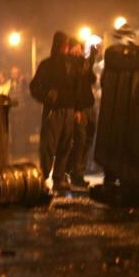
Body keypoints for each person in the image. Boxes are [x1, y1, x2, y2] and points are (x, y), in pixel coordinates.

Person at [29, 32, 79, 192]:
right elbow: (34, 86)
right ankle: (43, 177)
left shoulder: (72, 65)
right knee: (48, 145)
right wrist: (46, 96)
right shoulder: (47, 65)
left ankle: (59, 178)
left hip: (69, 110)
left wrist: (77, 109)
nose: (66, 47)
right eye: (63, 44)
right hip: (54, 111)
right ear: (58, 45)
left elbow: (78, 88)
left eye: (67, 44)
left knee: (66, 145)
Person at [69, 39, 98, 188]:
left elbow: (91, 78)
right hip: (79, 107)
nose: (79, 51)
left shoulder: (83, 64)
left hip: (89, 105)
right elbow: (78, 80)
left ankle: (79, 170)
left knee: (88, 140)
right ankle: (76, 173)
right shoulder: (71, 64)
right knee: (80, 139)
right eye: (76, 48)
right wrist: (77, 109)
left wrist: (91, 58)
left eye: (80, 48)